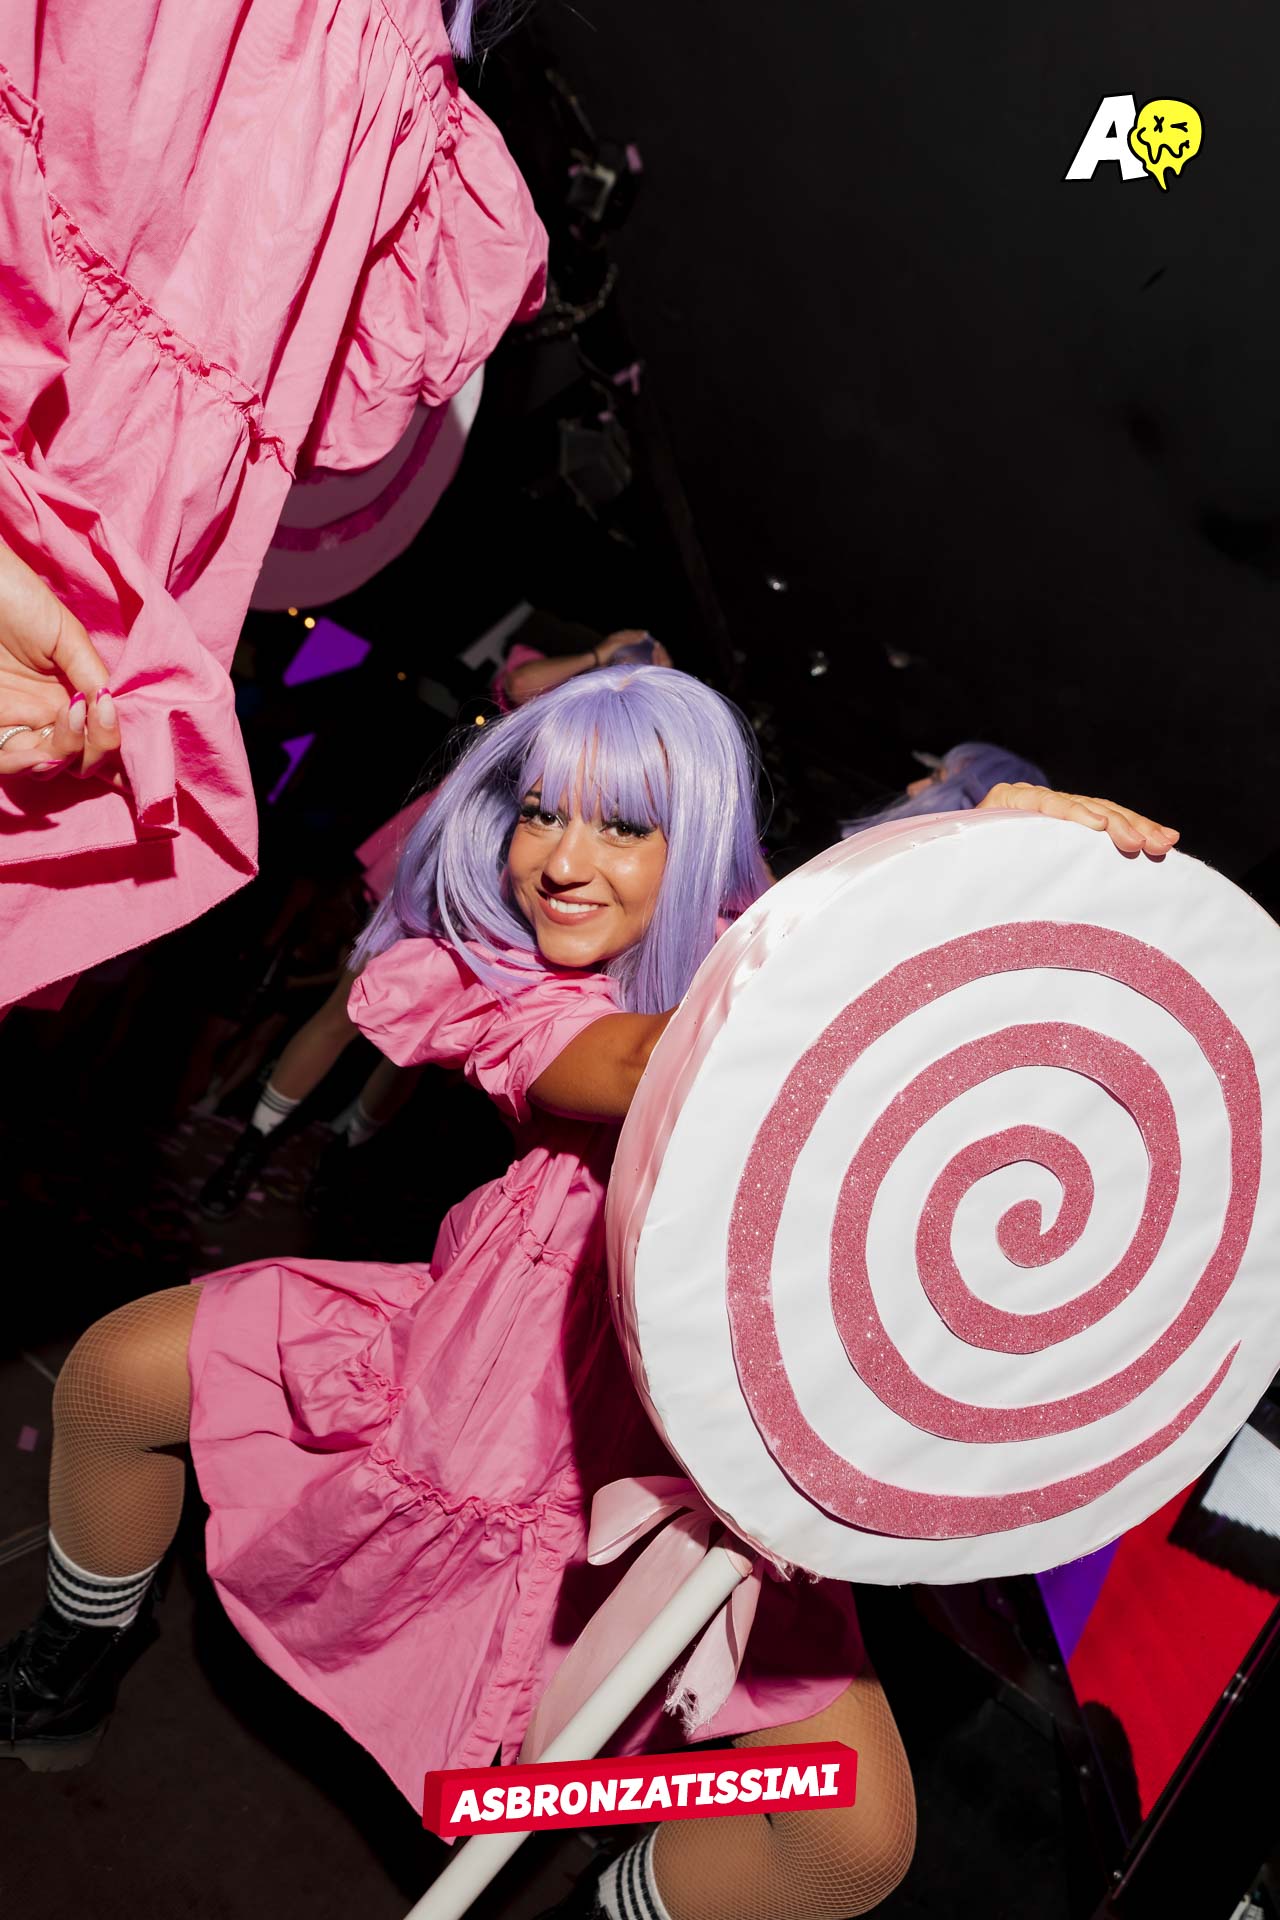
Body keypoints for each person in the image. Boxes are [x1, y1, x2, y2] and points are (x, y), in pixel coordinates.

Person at [0, 665, 1178, 1920]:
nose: (563, 862)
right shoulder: (500, 984)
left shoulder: (752, 949)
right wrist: (937, 881)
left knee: (849, 1846)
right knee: (116, 1377)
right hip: (471, 1383)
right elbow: (635, 1065)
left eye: (621, 826)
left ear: (697, 847)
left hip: (673, 1471)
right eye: (540, 813)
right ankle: (65, 1674)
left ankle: (600, 1909)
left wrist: (1003, 904)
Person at [0, 0, 546, 1013]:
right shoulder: (407, 106)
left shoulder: (393, 98)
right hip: (96, 602)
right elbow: (348, 423)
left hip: (65, 593)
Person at [197, 627, 668, 1218]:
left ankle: (343, 1151)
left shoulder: (619, 746)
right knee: (347, 1009)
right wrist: (605, 659)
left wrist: (653, 687)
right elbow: (520, 685)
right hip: (442, 868)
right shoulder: (551, 686)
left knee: (420, 1049)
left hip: (516, 898)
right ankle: (251, 1146)